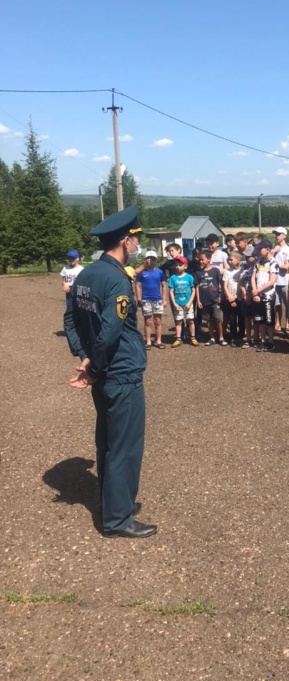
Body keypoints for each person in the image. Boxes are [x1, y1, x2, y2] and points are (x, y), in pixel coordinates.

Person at [64, 206, 157, 538]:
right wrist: (94, 366)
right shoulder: (117, 279)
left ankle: (115, 502)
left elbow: (71, 319)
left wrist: (86, 357)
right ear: (124, 240)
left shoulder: (86, 275)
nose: (137, 243)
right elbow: (111, 331)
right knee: (125, 445)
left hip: (104, 372)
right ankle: (118, 518)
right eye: (135, 238)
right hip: (121, 372)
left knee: (107, 442)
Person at [135, 250, 168, 349]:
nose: (150, 261)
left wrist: (164, 298)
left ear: (155, 260)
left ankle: (158, 340)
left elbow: (164, 285)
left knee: (158, 321)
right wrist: (138, 298)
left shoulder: (160, 272)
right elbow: (137, 285)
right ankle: (148, 342)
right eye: (148, 258)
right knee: (147, 321)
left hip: (157, 299)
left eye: (153, 259)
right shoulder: (142, 272)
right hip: (146, 299)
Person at [251, 239, 278, 351]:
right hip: (258, 296)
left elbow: (272, 280)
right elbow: (253, 277)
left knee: (269, 320)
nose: (257, 251)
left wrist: (259, 290)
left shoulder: (273, 263)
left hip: (268, 295)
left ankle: (270, 341)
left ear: (267, 250)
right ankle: (262, 341)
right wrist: (254, 292)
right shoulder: (257, 262)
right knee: (260, 320)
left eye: (260, 249)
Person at [194, 250, 225, 345]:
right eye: (200, 260)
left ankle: (221, 337)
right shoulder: (198, 273)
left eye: (203, 259)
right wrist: (198, 301)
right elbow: (197, 287)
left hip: (215, 300)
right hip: (204, 301)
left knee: (218, 319)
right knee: (208, 320)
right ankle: (212, 338)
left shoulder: (215, 271)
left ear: (209, 259)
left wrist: (220, 295)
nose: (201, 261)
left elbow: (220, 283)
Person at [168, 256, 199, 347]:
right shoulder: (173, 278)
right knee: (178, 321)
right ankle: (178, 338)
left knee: (190, 320)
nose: (178, 267)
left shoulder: (189, 277)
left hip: (188, 303)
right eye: (176, 265)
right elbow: (171, 291)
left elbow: (193, 290)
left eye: (180, 265)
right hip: (177, 303)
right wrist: (174, 303)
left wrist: (190, 303)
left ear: (185, 266)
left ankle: (192, 337)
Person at [272, 227, 289, 334]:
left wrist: (277, 265)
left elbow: (288, 266)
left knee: (287, 304)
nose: (277, 236)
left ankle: (288, 323)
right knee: (277, 304)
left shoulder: (287, 249)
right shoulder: (274, 249)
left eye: (279, 234)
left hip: (285, 280)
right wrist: (273, 251)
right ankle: (278, 322)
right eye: (276, 234)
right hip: (275, 281)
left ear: (284, 235)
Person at [221, 251, 244, 343]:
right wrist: (230, 297)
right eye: (228, 260)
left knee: (241, 317)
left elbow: (242, 285)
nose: (229, 262)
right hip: (229, 298)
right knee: (232, 318)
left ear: (238, 260)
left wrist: (236, 296)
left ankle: (241, 334)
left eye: (231, 260)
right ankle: (233, 334)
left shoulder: (242, 271)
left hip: (239, 298)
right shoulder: (227, 272)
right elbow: (225, 286)